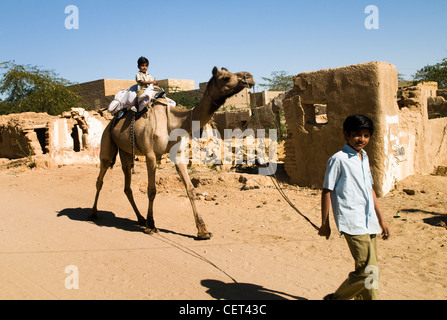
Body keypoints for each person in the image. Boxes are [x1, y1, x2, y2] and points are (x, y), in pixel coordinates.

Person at [318, 114, 390, 300]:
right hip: (352, 221)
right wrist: (325, 223)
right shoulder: (338, 159)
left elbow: (370, 189)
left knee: (372, 270)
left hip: (369, 221)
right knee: (367, 269)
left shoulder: (363, 157)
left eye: (366, 135)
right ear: (346, 134)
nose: (362, 139)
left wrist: (382, 219)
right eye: (357, 134)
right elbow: (327, 190)